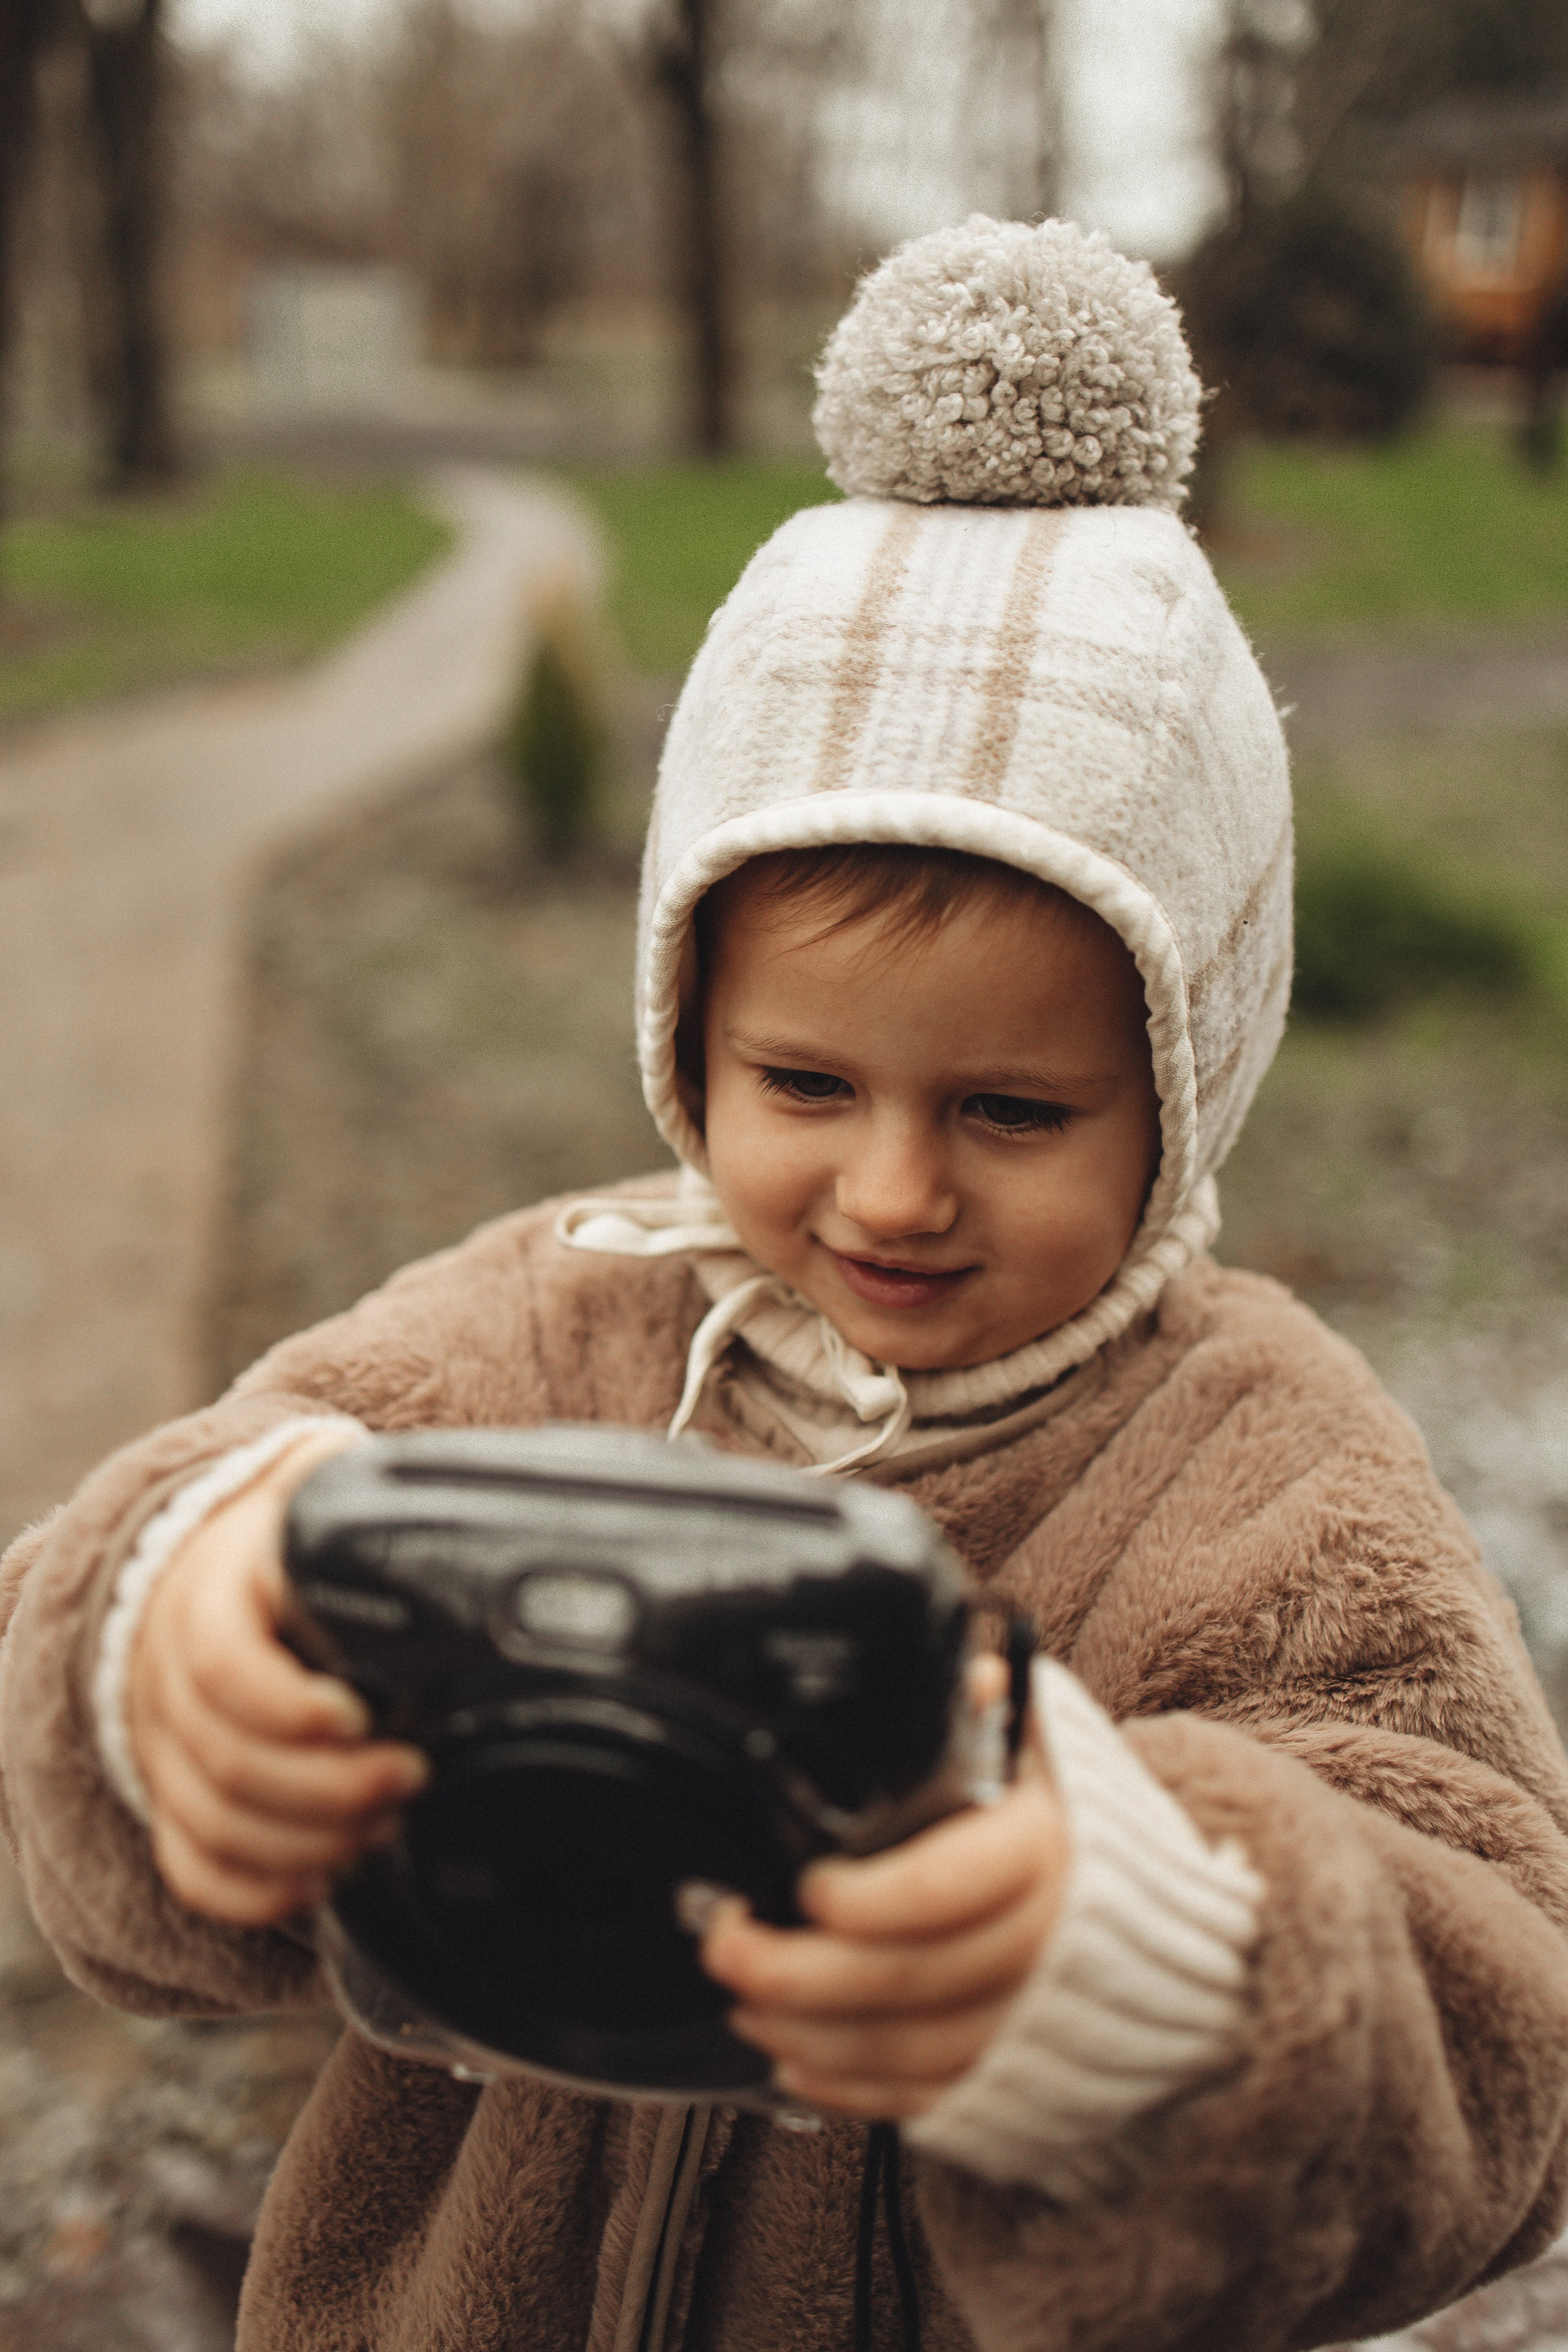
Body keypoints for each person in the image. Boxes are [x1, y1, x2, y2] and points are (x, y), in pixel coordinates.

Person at [4, 216, 1568, 2352]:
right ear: (688, 1032)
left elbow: (1497, 2026)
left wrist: (1149, 1974)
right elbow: (231, 1492)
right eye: (805, 1083)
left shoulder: (1267, 1480)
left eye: (1013, 1111)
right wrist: (169, 1634)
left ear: (1187, 1081)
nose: (894, 1189)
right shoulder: (553, 1328)